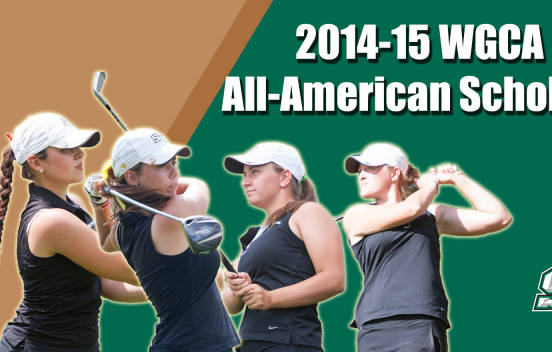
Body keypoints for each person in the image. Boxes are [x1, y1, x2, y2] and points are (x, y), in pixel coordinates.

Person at [342, 143, 512, 352]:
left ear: (394, 173)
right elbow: (411, 208)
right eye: (359, 171)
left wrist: (458, 179)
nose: (361, 175)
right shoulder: (356, 214)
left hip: (421, 322)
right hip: (376, 326)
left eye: (370, 168)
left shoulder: (431, 215)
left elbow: (499, 217)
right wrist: (430, 186)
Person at [0, 113, 146, 352]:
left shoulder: (72, 203)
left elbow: (103, 282)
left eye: (78, 147)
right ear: (36, 163)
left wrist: (164, 293)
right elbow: (132, 269)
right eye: (67, 149)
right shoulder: (53, 221)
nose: (80, 153)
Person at [95, 128, 240, 352]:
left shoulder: (126, 226)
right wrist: (116, 188)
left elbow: (105, 241)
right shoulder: (170, 218)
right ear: (132, 177)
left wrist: (102, 198)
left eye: (173, 162)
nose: (174, 172)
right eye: (162, 165)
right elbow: (199, 187)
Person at [221, 142, 345, 352]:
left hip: (289, 342)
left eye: (255, 172)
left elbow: (334, 279)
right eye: (244, 174)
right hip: (252, 344)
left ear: (285, 177)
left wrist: (271, 298)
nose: (245, 182)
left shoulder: (307, 212)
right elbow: (231, 306)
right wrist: (236, 288)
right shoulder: (257, 235)